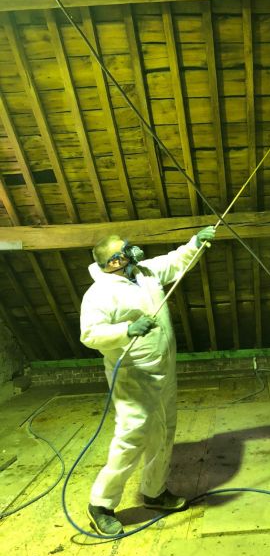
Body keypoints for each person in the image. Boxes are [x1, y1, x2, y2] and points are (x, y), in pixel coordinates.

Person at [80, 227, 216, 536]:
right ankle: (100, 505)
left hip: (162, 369)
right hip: (134, 376)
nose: (134, 250)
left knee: (164, 431)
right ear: (115, 262)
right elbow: (90, 334)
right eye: (126, 248)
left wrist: (195, 242)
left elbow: (175, 261)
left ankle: (155, 492)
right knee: (132, 439)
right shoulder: (99, 294)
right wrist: (126, 330)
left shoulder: (143, 273)